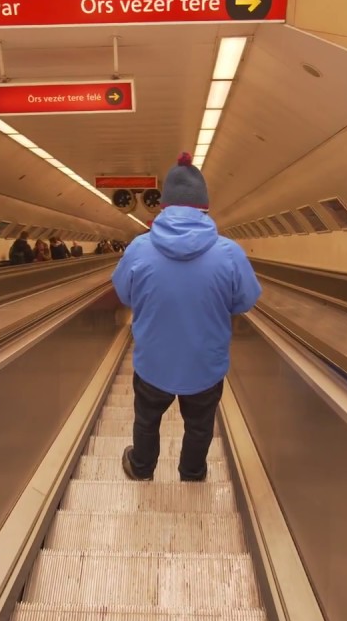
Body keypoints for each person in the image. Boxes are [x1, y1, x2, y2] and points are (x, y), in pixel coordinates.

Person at [112, 152, 262, 483]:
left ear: (163, 207)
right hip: (205, 362)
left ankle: (141, 467)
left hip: (154, 360)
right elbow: (246, 300)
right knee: (200, 424)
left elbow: (124, 294)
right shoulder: (230, 252)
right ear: (204, 208)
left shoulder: (139, 247)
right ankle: (192, 473)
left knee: (147, 419)